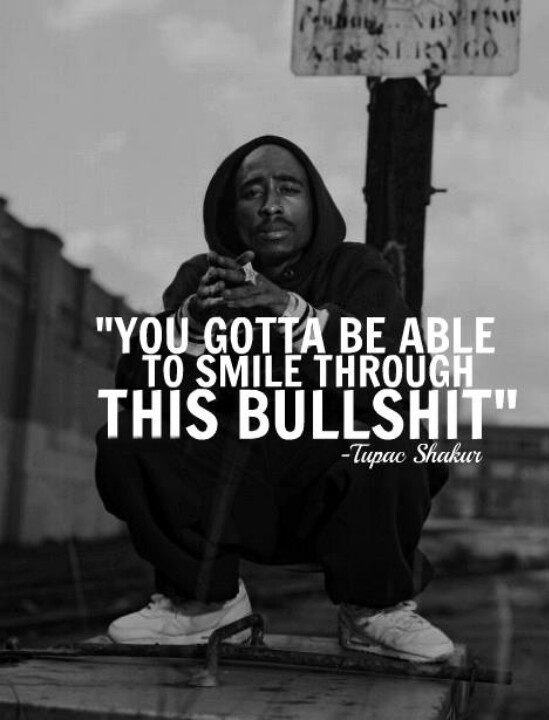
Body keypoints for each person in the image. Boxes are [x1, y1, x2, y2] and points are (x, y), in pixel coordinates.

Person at [95, 135, 453, 663]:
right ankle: (206, 605)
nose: (270, 205)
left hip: (332, 494)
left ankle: (373, 610)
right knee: (133, 430)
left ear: (315, 203)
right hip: (234, 490)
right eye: (251, 192)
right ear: (230, 210)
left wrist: (292, 314)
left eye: (288, 188)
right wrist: (190, 329)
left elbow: (399, 376)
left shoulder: (357, 269)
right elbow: (139, 388)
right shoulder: (201, 277)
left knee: (397, 437)